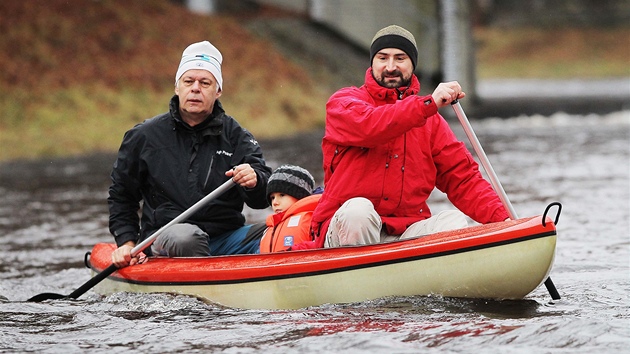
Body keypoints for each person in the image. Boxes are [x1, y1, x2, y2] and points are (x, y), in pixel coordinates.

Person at [292, 25, 509, 250]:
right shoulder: (343, 102)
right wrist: (428, 105)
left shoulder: (431, 122)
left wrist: (503, 220)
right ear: (372, 62)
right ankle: (362, 279)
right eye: (382, 58)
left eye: (400, 58)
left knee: (453, 222)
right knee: (359, 211)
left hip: (403, 233)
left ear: (412, 65)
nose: (391, 67)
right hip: (345, 230)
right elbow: (372, 125)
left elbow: (463, 180)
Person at [108, 40, 272, 267]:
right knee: (187, 238)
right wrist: (126, 242)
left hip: (225, 237)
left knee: (277, 229)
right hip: (166, 237)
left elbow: (262, 199)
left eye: (205, 83)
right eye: (189, 81)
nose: (195, 88)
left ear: (218, 91)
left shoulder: (237, 136)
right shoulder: (143, 136)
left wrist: (254, 181)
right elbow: (122, 196)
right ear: (178, 87)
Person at [259, 165, 320, 253]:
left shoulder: (314, 220)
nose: (275, 202)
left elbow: (324, 245)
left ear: (299, 195)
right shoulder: (268, 229)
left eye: (282, 195)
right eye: (272, 197)